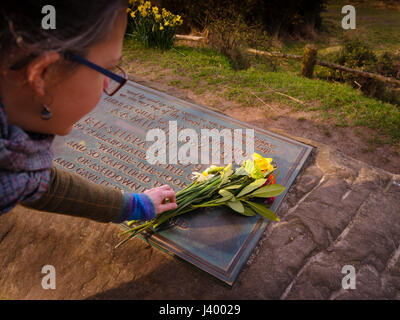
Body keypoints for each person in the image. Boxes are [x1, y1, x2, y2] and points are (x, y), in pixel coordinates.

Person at [0, 1, 178, 224]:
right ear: (42, 75)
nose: (106, 85)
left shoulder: (12, 163)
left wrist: (133, 206)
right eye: (108, 69)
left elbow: (34, 181)